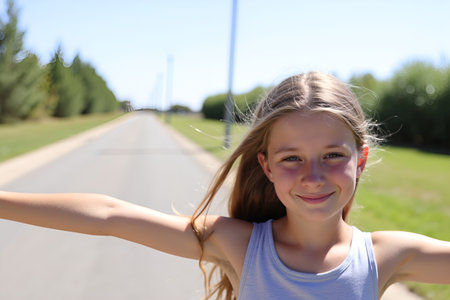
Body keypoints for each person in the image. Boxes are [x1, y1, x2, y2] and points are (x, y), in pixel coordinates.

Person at [0, 71, 449, 300]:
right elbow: (110, 215)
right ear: (266, 167)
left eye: (333, 155)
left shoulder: (388, 255)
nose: (313, 176)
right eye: (291, 159)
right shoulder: (239, 244)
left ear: (361, 159)